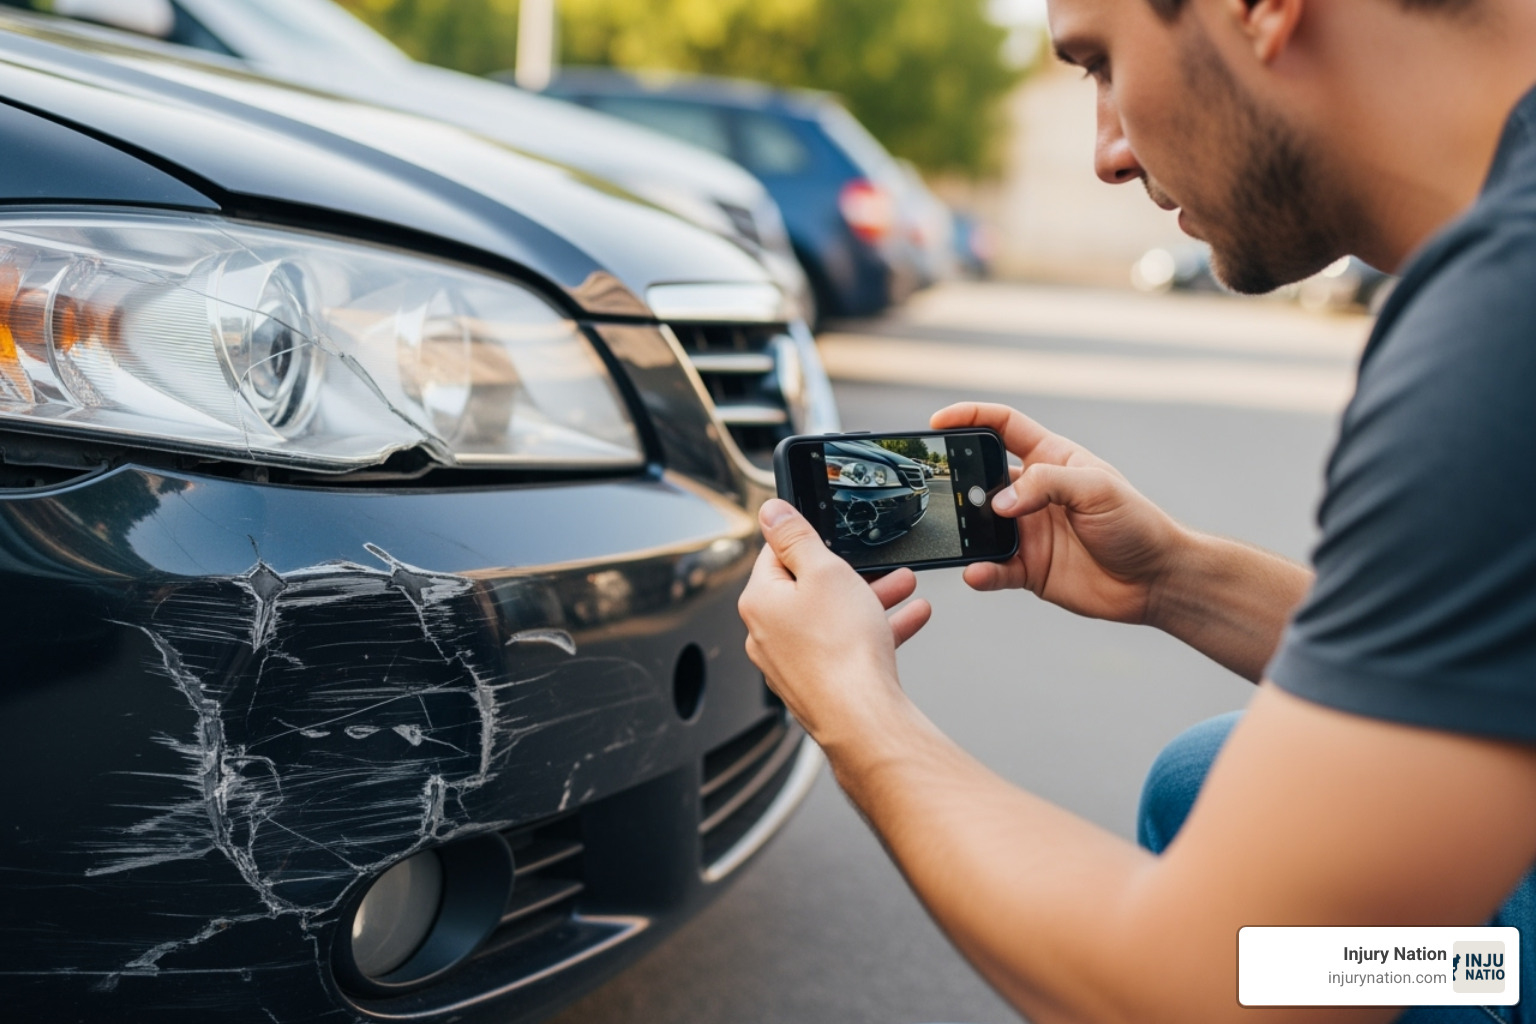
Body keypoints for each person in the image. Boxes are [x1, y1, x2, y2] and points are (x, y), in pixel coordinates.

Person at [736, 0, 1536, 1020]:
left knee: (1271, 941)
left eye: (1103, 62)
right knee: (1210, 779)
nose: (1109, 152)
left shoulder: (1504, 324)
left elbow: (1208, 983)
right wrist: (1172, 578)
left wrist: (856, 709)